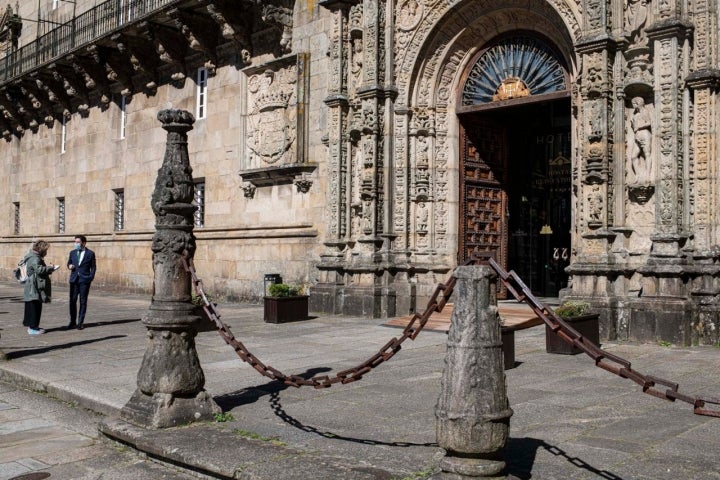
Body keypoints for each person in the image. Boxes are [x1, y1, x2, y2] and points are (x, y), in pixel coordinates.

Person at [22, 240, 59, 335]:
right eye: (45, 250)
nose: (46, 252)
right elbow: (39, 270)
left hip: (32, 285)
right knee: (34, 306)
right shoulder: (35, 258)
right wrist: (51, 268)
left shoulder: (33, 256)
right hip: (33, 286)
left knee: (34, 305)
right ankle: (33, 328)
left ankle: (34, 326)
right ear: (41, 249)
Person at [66, 235, 96, 330]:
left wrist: (90, 277)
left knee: (83, 301)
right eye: (75, 242)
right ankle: (72, 321)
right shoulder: (72, 253)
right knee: (72, 301)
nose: (76, 244)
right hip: (74, 280)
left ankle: (80, 322)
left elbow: (93, 267)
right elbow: (69, 263)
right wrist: (69, 266)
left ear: (83, 243)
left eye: (78, 242)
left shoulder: (90, 253)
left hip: (84, 280)